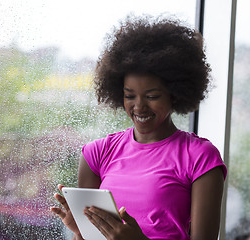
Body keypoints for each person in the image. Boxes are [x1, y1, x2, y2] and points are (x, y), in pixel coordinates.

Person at [50, 15, 227, 240]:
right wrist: (82, 232)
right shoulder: (97, 153)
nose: (139, 107)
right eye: (129, 96)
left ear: (176, 93)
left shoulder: (200, 157)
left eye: (152, 96)